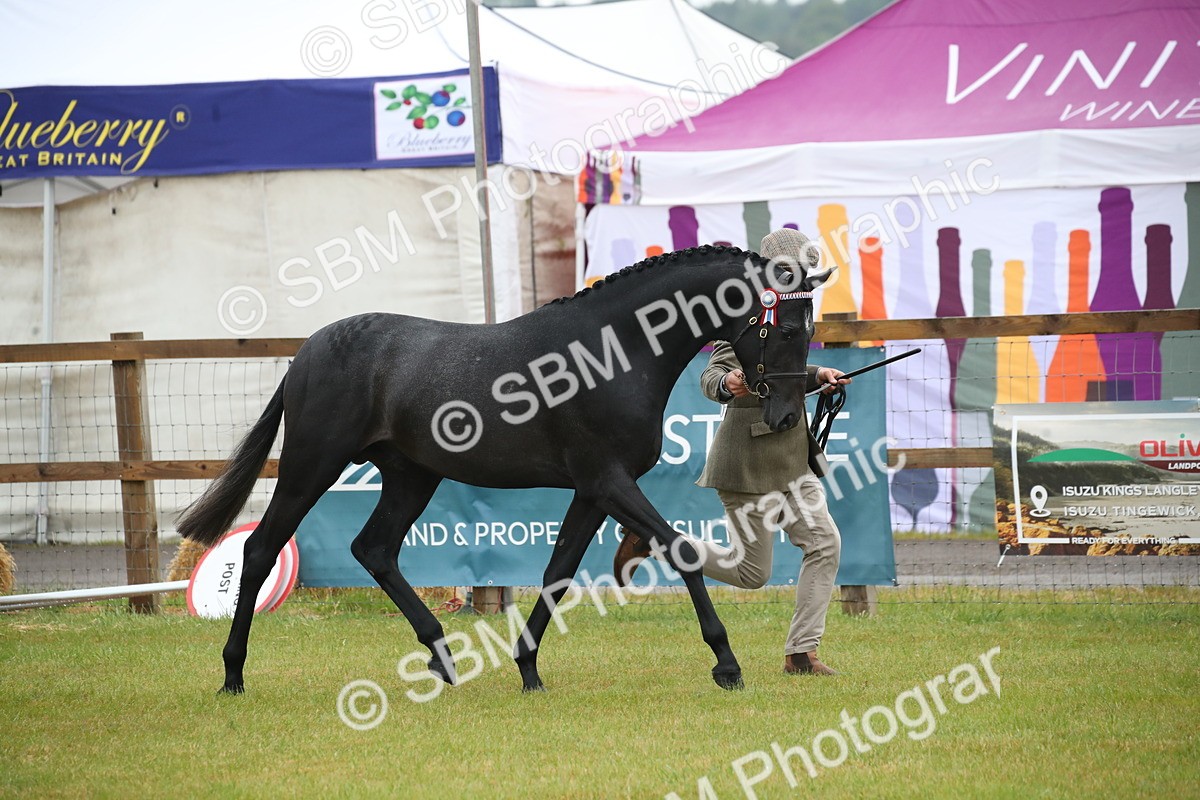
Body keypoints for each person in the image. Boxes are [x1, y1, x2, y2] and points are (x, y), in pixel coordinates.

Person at [614, 228, 850, 676]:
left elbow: (788, 367)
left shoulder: (798, 311)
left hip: (792, 460)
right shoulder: (746, 316)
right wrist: (727, 383)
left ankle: (802, 652)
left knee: (824, 543)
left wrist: (819, 375)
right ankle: (657, 541)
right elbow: (712, 374)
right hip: (745, 465)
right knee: (751, 574)